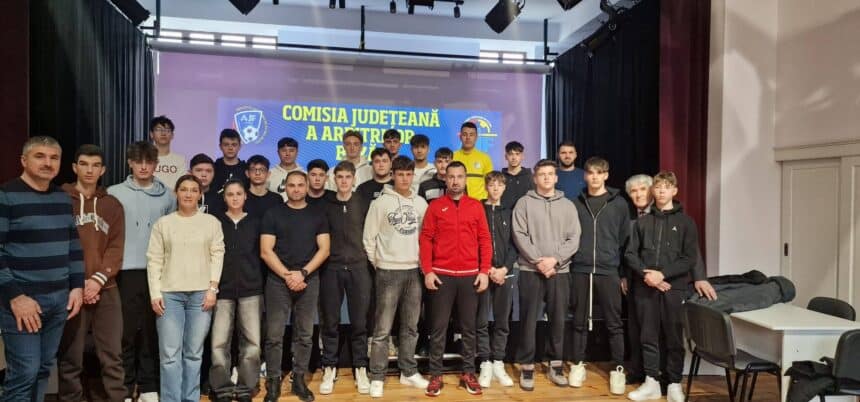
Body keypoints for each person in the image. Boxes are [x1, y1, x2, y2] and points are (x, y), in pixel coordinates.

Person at [0, 136, 84, 402]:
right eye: (40, 156)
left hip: (59, 301)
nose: (48, 163)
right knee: (25, 371)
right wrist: (16, 297)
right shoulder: (6, 196)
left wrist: (77, 286)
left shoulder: (62, 197)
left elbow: (73, 245)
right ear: (24, 160)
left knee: (44, 369)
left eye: (54, 158)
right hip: (23, 302)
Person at [622, 174, 716, 386]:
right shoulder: (633, 218)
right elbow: (626, 252)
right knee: (642, 332)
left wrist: (698, 277)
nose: (639, 194)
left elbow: (690, 254)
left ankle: (670, 380)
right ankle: (645, 376)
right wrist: (641, 276)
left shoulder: (683, 222)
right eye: (633, 191)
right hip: (640, 282)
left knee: (671, 334)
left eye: (642, 189)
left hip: (672, 284)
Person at [147, 174, 225, 402]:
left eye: (193, 190)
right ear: (176, 193)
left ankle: (190, 398)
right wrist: (155, 293)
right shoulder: (164, 223)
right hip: (169, 296)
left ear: (200, 194)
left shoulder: (211, 222)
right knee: (170, 355)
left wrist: (212, 289)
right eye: (184, 189)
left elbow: (217, 255)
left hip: (201, 295)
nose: (188, 194)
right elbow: (154, 259)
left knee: (193, 354)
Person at [108, 141, 176, 402]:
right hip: (126, 271)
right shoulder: (114, 193)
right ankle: (125, 387)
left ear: (156, 164)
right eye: (138, 162)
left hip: (157, 273)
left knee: (151, 331)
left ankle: (148, 386)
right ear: (130, 163)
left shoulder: (168, 196)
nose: (144, 167)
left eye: (149, 162)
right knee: (125, 332)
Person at [58, 145, 126, 402]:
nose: (89, 170)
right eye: (84, 164)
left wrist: (97, 281)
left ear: (103, 170)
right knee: (71, 356)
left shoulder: (112, 204)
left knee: (112, 354)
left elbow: (116, 247)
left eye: (95, 165)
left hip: (106, 288)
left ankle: (116, 398)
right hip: (71, 289)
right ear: (74, 167)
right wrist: (78, 282)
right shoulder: (60, 199)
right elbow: (58, 244)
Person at [420, 161, 492, 397]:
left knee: (469, 329)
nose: (455, 181)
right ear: (445, 178)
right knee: (438, 328)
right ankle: (435, 374)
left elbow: (484, 240)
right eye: (451, 177)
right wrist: (428, 271)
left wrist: (484, 271)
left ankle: (468, 372)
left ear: (465, 179)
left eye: (459, 176)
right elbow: (426, 239)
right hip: (442, 276)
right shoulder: (435, 206)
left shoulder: (475, 206)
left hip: (470, 277)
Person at [363, 156, 429, 398]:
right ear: (393, 175)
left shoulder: (420, 203)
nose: (404, 178)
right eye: (400, 174)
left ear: (413, 176)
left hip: (414, 271)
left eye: (408, 174)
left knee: (411, 326)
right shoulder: (380, 203)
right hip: (388, 271)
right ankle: (377, 375)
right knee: (382, 328)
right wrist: (380, 263)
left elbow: (426, 237)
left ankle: (408, 371)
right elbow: (368, 238)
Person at [261, 171, 330, 402]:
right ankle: (273, 380)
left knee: (305, 334)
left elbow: (324, 249)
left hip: (308, 280)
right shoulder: (273, 213)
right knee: (274, 335)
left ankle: (299, 379)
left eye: (301, 185)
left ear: (307, 187)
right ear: (285, 187)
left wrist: (303, 273)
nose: (297, 189)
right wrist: (287, 275)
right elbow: (266, 251)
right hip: (278, 281)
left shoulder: (317, 214)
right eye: (292, 185)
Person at [512, 159, 580, 391]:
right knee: (529, 321)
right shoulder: (524, 203)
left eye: (551, 174)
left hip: (559, 271)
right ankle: (527, 366)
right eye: (542, 174)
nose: (547, 178)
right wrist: (538, 261)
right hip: (530, 271)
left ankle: (556, 365)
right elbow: (519, 234)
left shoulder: (568, 205)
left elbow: (574, 238)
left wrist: (555, 260)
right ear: (535, 178)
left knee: (558, 320)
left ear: (556, 177)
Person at [569, 157, 630, 394]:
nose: (594, 177)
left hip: (609, 270)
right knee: (579, 321)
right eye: (590, 173)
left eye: (599, 172)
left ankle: (618, 369)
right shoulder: (576, 203)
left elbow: (626, 241)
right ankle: (578, 364)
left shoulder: (619, 204)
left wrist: (623, 273)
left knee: (614, 323)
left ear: (606, 175)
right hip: (581, 269)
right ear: (585, 176)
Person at [318, 161, 372, 395]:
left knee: (359, 322)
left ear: (354, 179)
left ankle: (360, 366)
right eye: (339, 177)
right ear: (334, 179)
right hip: (332, 268)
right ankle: (329, 366)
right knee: (330, 321)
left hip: (359, 268)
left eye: (347, 177)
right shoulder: (326, 205)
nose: (343, 181)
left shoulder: (364, 202)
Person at [209, 180, 263, 402]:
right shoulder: (215, 222)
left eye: (239, 193)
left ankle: (246, 387)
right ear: (224, 197)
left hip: (251, 289)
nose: (234, 198)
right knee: (219, 342)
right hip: (222, 290)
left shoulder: (256, 222)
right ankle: (221, 387)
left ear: (245, 196)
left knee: (252, 343)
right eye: (230, 194)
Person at [475, 171, 518, 389]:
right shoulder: (478, 210)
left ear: (504, 187)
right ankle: (485, 362)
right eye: (491, 184)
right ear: (486, 187)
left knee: (502, 321)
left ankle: (498, 362)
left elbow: (514, 244)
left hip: (504, 274)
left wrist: (504, 269)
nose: (495, 188)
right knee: (481, 320)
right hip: (483, 273)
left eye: (499, 185)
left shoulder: (510, 212)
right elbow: (473, 242)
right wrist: (488, 268)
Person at [453, 122, 493, 200]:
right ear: (460, 137)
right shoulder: (452, 157)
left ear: (476, 137)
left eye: (471, 135)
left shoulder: (485, 158)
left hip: (479, 202)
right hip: (457, 202)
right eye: (465, 134)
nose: (468, 138)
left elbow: (490, 183)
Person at [151, 115, 186, 190]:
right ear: (151, 134)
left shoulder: (180, 160)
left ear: (172, 135)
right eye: (158, 129)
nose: (163, 133)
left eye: (167, 130)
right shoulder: (145, 159)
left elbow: (181, 184)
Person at [244, 155, 283, 220]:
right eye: (253, 169)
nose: (257, 173)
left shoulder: (277, 199)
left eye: (262, 170)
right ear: (247, 173)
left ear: (268, 174)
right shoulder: (241, 198)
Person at [500, 141, 533, 208]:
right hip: (504, 213)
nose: (514, 158)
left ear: (522, 156)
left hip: (525, 213)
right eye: (510, 154)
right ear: (506, 156)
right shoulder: (500, 178)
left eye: (517, 154)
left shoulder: (530, 178)